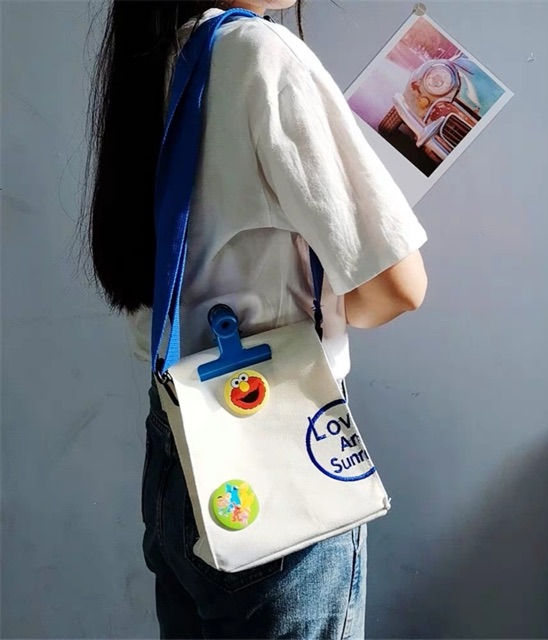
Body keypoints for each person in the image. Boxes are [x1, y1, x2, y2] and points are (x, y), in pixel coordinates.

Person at [82, 1, 428, 638]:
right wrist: (331, 307)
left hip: (178, 443)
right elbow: (398, 287)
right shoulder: (260, 54)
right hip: (277, 445)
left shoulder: (155, 59)